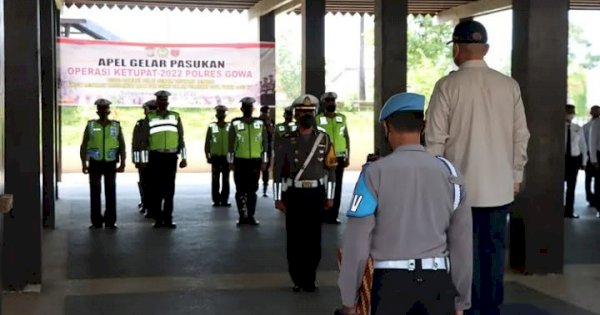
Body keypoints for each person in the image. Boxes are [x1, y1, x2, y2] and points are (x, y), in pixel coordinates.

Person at [425, 20, 530, 315]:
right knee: (493, 255)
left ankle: (463, 310)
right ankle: (491, 309)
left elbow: (435, 142)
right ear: (486, 49)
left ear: (457, 49)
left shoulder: (447, 86)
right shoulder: (509, 86)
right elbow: (520, 136)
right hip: (498, 190)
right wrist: (516, 175)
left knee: (460, 258)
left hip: (458, 193)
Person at [337, 92, 472, 315]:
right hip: (438, 285)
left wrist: (349, 299)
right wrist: (461, 301)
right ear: (424, 126)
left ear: (386, 126)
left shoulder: (373, 174)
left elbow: (356, 242)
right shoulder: (451, 173)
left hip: (390, 287)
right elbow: (462, 245)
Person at [273, 94, 337, 292]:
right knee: (295, 239)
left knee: (313, 238)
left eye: (309, 112)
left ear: (315, 113)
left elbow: (331, 169)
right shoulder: (286, 140)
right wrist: (277, 198)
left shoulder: (324, 139)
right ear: (295, 115)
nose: (306, 115)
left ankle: (310, 278)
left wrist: (330, 196)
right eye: (302, 112)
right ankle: (297, 279)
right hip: (294, 194)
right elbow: (277, 171)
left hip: (316, 193)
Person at [138, 90, 187, 229]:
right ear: (157, 102)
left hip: (171, 157)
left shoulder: (175, 116)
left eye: (164, 101)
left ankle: (168, 219)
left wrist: (184, 157)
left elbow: (181, 138)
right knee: (157, 189)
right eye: (160, 101)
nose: (162, 103)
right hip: (156, 157)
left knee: (169, 190)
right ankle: (158, 219)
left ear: (168, 102)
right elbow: (144, 140)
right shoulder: (150, 117)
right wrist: (143, 160)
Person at [80, 98, 126, 229]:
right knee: (95, 192)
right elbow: (84, 145)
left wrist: (123, 163)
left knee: (110, 192)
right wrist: (84, 163)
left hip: (111, 163)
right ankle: (96, 221)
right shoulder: (91, 125)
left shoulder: (116, 126)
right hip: (95, 163)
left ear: (109, 111)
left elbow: (122, 145)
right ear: (97, 111)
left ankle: (110, 221)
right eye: (101, 109)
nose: (103, 112)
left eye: (105, 109)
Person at [228, 97, 268, 226]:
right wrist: (230, 162)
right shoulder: (235, 123)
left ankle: (250, 216)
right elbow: (230, 144)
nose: (248, 109)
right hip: (240, 161)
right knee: (240, 190)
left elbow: (265, 143)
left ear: (253, 109)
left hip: (255, 161)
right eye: (246, 107)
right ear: (242, 109)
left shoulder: (260, 123)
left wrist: (265, 161)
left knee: (252, 190)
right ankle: (242, 216)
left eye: (250, 107)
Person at [316, 92, 350, 224]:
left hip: (339, 157)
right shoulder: (318, 119)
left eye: (333, 101)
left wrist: (347, 155)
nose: (331, 103)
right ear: (324, 104)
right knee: (323, 186)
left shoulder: (342, 118)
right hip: (323, 158)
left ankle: (333, 215)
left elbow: (346, 137)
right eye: (328, 101)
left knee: (337, 186)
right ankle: (322, 213)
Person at [132, 99, 157, 218]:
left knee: (154, 184)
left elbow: (135, 144)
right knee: (145, 183)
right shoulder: (140, 124)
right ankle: (146, 204)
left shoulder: (157, 123)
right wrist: (137, 160)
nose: (144, 112)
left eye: (145, 110)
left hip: (156, 158)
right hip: (144, 160)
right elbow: (136, 144)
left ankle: (152, 207)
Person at [205, 105, 231, 207]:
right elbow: (207, 142)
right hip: (215, 157)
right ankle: (216, 200)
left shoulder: (230, 126)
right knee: (215, 179)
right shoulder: (212, 126)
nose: (220, 115)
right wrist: (207, 155)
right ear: (216, 115)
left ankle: (224, 200)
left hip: (226, 157)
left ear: (225, 115)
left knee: (226, 179)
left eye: (222, 113)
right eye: (219, 113)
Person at [564, 104, 587, 218]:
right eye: (569, 111)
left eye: (572, 112)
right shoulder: (557, 127)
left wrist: (584, 162)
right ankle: (558, 210)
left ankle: (569, 211)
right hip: (561, 160)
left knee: (571, 186)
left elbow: (583, 145)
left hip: (574, 159)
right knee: (558, 187)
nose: (571, 114)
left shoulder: (577, 127)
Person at [582, 105, 600, 207]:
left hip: (593, 153)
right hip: (590, 154)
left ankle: (594, 198)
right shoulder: (586, 126)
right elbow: (586, 142)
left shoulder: (593, 124)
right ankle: (590, 197)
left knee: (594, 179)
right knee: (589, 177)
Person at [259, 104, 275, 197]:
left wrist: (268, 124)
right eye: (265, 112)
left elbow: (273, 133)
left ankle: (265, 188)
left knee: (266, 168)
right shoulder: (257, 121)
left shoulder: (271, 121)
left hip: (268, 147)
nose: (266, 114)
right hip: (258, 147)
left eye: (268, 112)